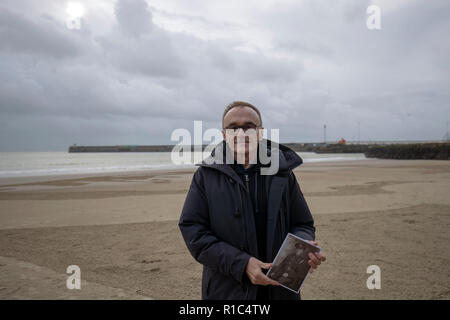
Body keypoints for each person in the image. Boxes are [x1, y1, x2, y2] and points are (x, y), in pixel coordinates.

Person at [179, 101, 326, 300]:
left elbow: (302, 223)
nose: (241, 133)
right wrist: (242, 264)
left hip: (280, 287)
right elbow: (193, 230)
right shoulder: (205, 176)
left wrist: (303, 248)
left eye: (249, 126)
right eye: (233, 128)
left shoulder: (282, 174)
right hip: (228, 289)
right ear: (224, 134)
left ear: (260, 132)